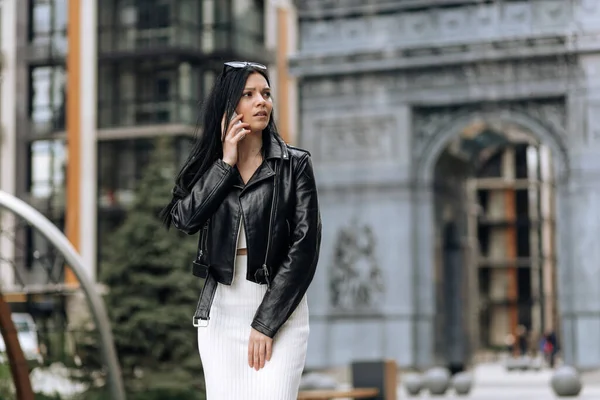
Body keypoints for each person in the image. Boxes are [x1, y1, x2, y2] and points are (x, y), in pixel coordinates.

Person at [159, 61, 322, 400]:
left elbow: (304, 247)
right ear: (229, 108)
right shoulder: (212, 167)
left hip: (280, 309)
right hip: (222, 314)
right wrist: (225, 164)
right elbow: (186, 220)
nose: (261, 101)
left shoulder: (294, 166)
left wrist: (266, 323)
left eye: (265, 93)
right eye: (249, 95)